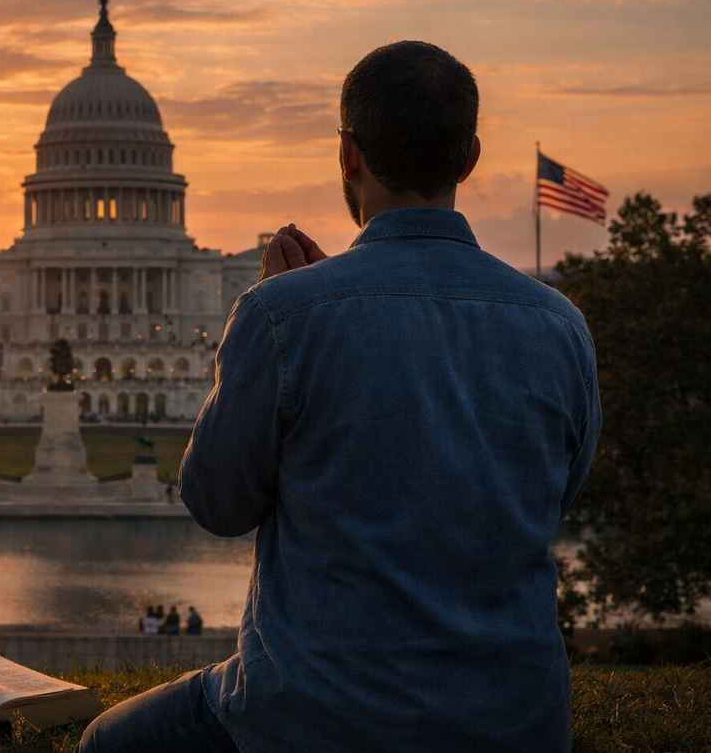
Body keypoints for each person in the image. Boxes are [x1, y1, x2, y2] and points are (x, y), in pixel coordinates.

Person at [78, 41, 601, 753]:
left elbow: (216, 502)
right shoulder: (560, 325)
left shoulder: (281, 315)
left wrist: (294, 314)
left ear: (348, 154)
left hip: (316, 713)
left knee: (107, 743)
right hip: (517, 722)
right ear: (470, 156)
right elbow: (552, 493)